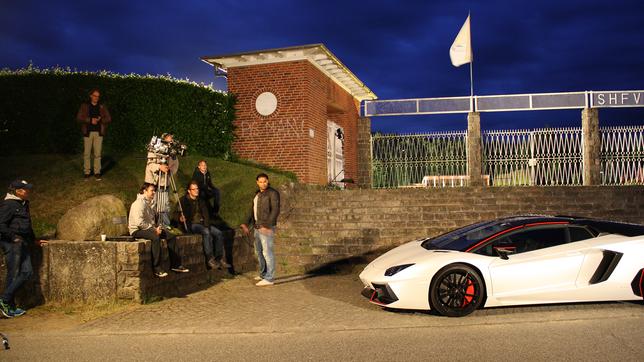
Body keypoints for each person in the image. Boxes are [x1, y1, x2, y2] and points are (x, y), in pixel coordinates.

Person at [0, 179, 47, 318]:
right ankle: (7, 304)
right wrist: (13, 237)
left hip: (23, 243)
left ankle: (6, 301)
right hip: (12, 243)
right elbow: (1, 225)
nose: (28, 191)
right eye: (26, 189)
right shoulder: (8, 205)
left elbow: (27, 224)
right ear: (18, 191)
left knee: (27, 272)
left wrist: (34, 240)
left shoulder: (24, 203)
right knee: (13, 274)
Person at [128, 183, 188, 277]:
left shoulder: (150, 203)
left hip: (148, 228)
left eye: (154, 191)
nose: (154, 192)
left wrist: (157, 227)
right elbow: (139, 222)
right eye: (152, 190)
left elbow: (151, 221)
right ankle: (157, 268)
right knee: (155, 237)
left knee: (171, 236)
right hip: (136, 230)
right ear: (144, 191)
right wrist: (154, 230)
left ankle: (176, 265)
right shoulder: (138, 203)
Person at [177, 181, 229, 270]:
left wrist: (206, 224)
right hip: (192, 224)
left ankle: (219, 258)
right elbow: (176, 214)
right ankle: (210, 259)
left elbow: (206, 214)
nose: (196, 191)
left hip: (202, 223)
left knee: (218, 233)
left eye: (197, 189)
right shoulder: (183, 200)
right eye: (194, 189)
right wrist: (180, 218)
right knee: (206, 232)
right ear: (189, 191)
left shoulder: (200, 200)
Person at [240, 173, 280, 286]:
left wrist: (267, 226)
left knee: (268, 252)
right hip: (257, 227)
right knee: (259, 252)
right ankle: (263, 274)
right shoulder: (257, 194)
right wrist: (245, 223)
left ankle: (270, 278)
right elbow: (252, 210)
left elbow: (275, 210)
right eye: (261, 182)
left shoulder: (273, 193)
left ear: (268, 181)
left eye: (265, 181)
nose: (263, 183)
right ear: (257, 182)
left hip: (266, 227)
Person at [76, 88, 111, 180]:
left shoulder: (102, 106)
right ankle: (87, 172)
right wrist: (90, 120)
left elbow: (109, 118)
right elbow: (79, 118)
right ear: (91, 96)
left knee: (97, 154)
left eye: (98, 96)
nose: (96, 98)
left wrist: (101, 120)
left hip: (99, 132)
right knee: (87, 153)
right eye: (95, 96)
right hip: (87, 132)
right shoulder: (85, 106)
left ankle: (97, 172)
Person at [144, 133, 178, 227]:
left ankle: (164, 225)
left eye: (171, 140)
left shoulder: (172, 150)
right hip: (153, 181)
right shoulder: (155, 148)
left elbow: (175, 164)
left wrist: (170, 170)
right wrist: (159, 167)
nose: (170, 142)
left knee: (164, 204)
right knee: (152, 203)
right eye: (168, 140)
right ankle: (150, 224)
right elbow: (150, 165)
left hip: (165, 181)